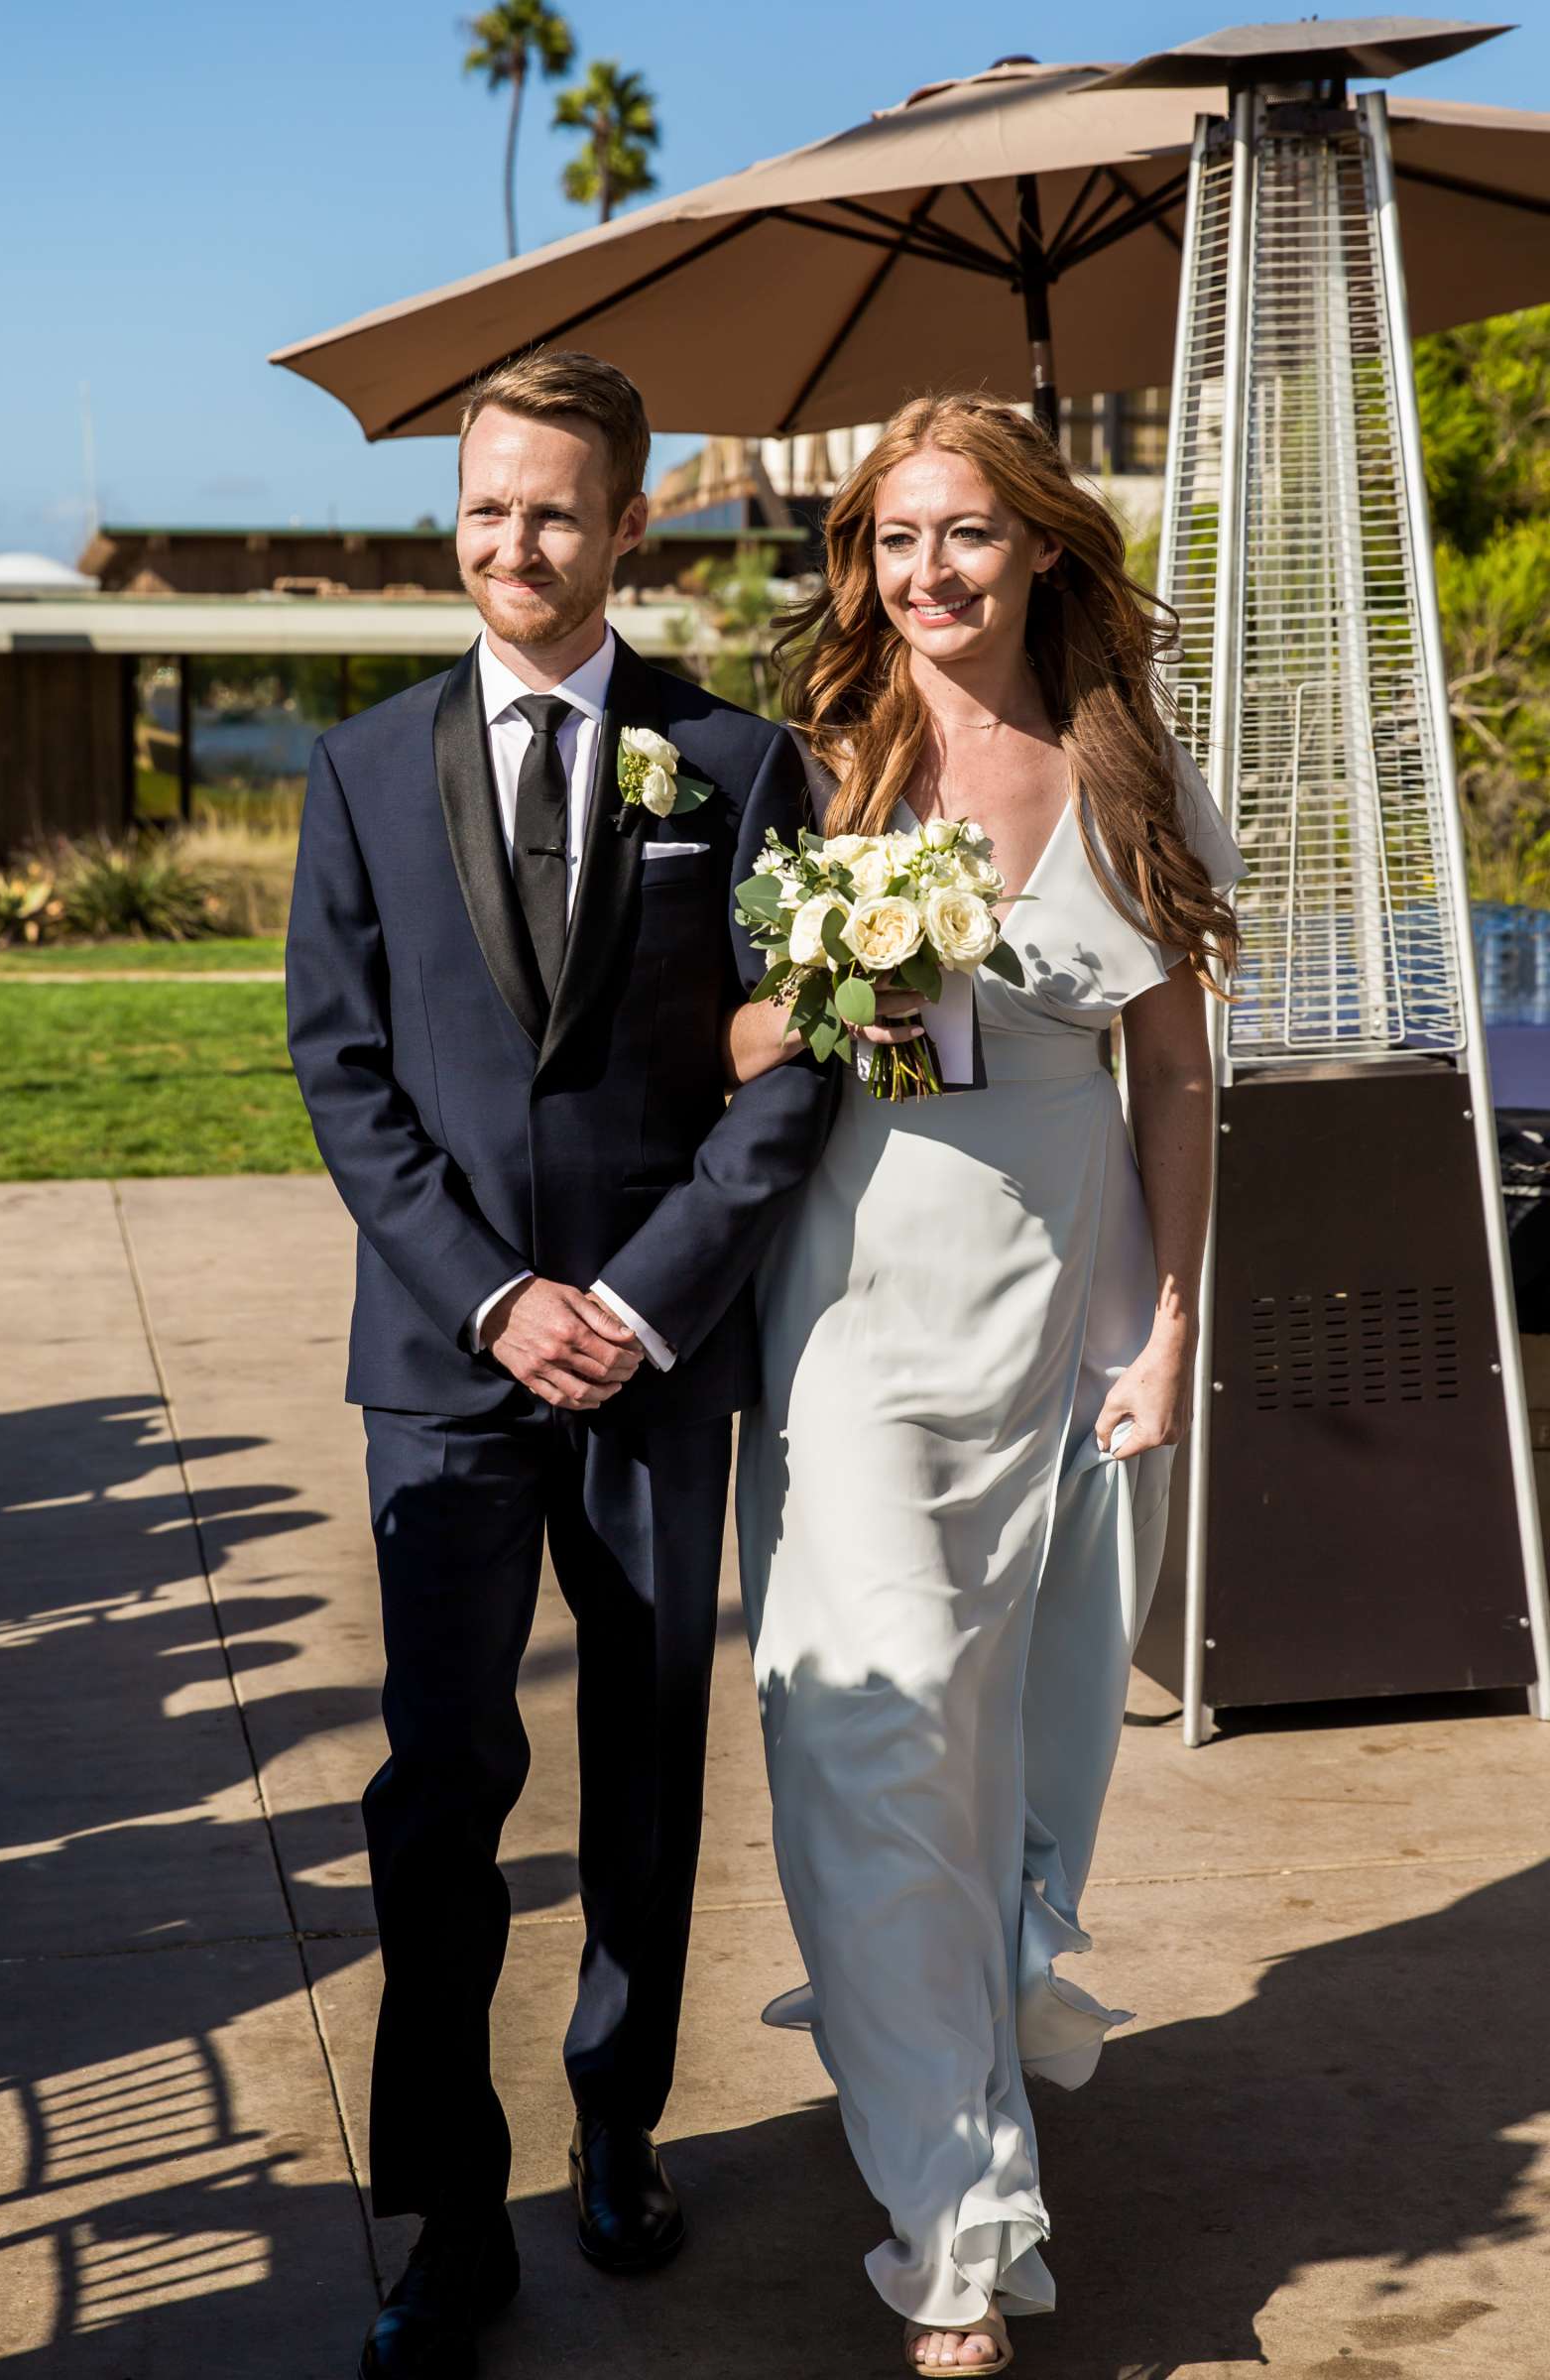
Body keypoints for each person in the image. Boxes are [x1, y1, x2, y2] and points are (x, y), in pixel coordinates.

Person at [286, 348, 836, 2380]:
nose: (513, 542)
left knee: (642, 1776)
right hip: (445, 1368)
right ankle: (449, 2208)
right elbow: (342, 1075)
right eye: (485, 505)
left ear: (629, 527)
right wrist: (492, 1297)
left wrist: (648, 1293)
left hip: (658, 1362)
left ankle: (617, 2127)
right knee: (442, 1789)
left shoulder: (735, 766)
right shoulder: (355, 771)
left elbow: (795, 1072)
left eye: (552, 509)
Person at [730, 393, 1243, 2377]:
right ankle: (956, 2228)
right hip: (857, 1306)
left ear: (1039, 549)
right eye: (887, 540)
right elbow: (727, 1038)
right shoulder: (814, 767)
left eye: (962, 535)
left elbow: (1177, 1079)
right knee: (872, 1742)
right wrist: (845, 978)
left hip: (1073, 1294)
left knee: (1022, 1739)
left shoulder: (1124, 769)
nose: (922, 575)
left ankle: (987, 2007)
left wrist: (1173, 1320)